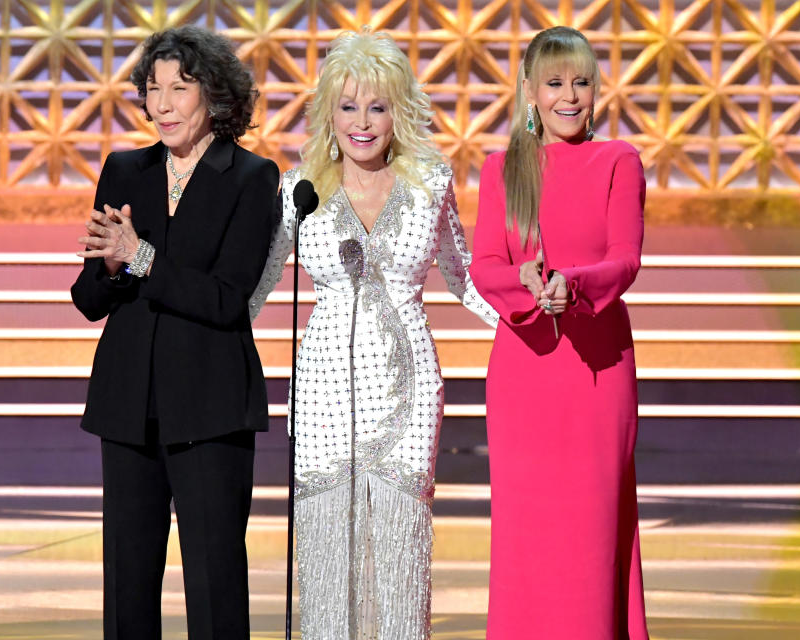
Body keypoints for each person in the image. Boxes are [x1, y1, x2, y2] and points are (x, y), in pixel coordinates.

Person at [249, 28, 497, 640]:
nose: (363, 121)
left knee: (400, 540)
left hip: (410, 385)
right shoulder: (300, 188)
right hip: (324, 386)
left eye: (378, 106)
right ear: (329, 112)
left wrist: (535, 318)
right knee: (329, 536)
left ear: (398, 113)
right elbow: (256, 284)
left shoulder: (430, 184)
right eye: (349, 105)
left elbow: (464, 279)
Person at [70, 26, 279, 640]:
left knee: (214, 585)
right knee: (127, 586)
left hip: (211, 409)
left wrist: (141, 260)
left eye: (178, 89)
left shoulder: (251, 177)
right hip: (128, 405)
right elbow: (86, 299)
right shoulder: (125, 170)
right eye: (152, 89)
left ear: (215, 96)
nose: (161, 104)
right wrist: (111, 270)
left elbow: (226, 297)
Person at [469, 26, 649, 640]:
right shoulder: (501, 169)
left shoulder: (618, 161)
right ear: (529, 91)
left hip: (596, 370)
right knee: (527, 533)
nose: (569, 97)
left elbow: (626, 258)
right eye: (554, 83)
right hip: (524, 375)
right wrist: (526, 284)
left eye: (581, 83)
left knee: (593, 529)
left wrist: (572, 284)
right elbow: (485, 265)